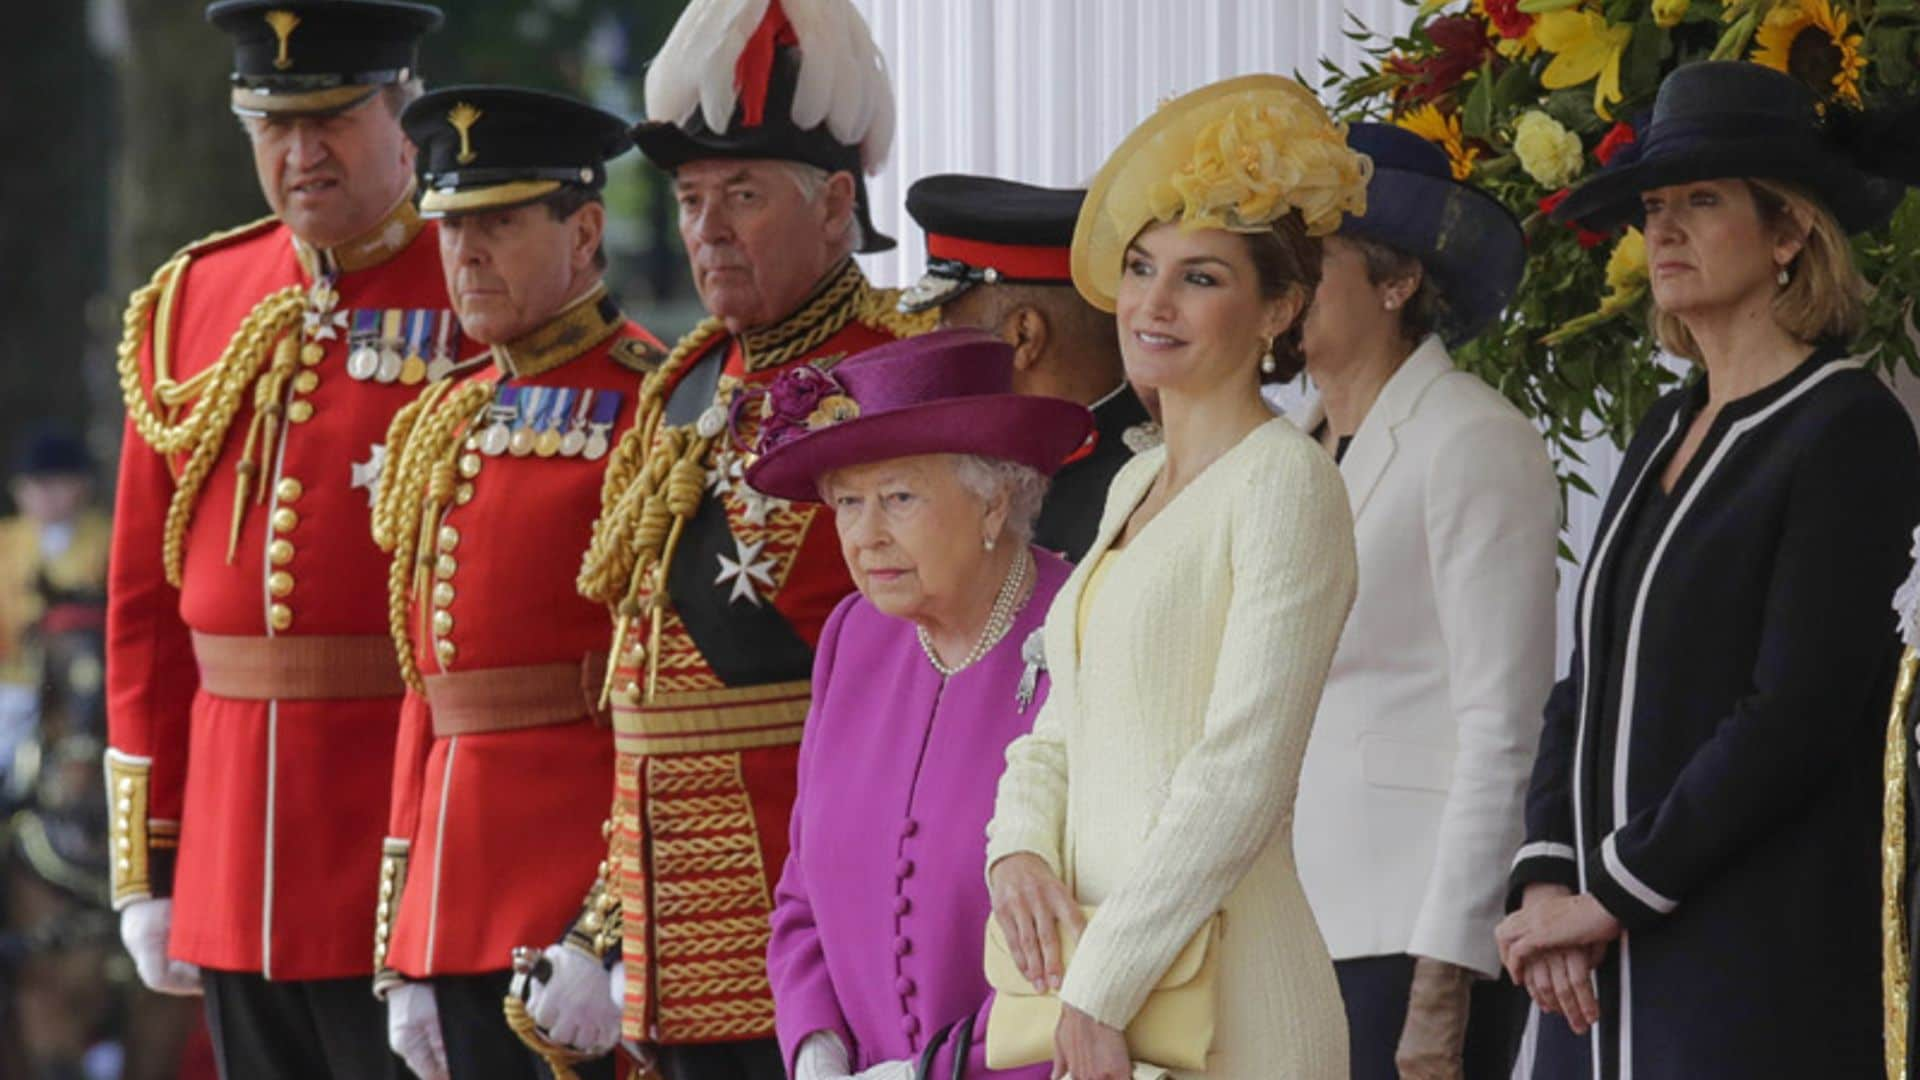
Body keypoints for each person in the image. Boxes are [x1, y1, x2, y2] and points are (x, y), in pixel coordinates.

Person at [1498, 61, 1920, 1080]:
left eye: (1702, 201)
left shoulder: (1847, 427)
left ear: (1789, 234)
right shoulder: (1664, 426)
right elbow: (1583, 679)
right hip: (1594, 968)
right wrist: (1548, 879)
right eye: (1654, 208)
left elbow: (1796, 711)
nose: (1666, 232)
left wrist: (1616, 891)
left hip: (1745, 963)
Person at [549, 2, 935, 1077]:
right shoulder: (681, 384)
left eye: (744, 196)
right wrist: (606, 922)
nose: (708, 227)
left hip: (820, 916)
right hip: (664, 936)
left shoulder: (897, 378)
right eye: (689, 200)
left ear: (834, 207)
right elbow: (643, 682)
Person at [984, 74, 1367, 1080]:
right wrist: (1016, 848)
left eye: (1201, 277)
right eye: (1143, 266)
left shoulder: (1289, 484)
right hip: (1104, 994)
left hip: (1230, 1001)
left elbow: (1241, 773)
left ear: (1278, 307)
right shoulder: (1136, 479)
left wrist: (1102, 983)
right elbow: (1064, 714)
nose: (1152, 301)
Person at [104, 3, 457, 1076]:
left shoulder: (477, 282)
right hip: (224, 854)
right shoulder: (192, 300)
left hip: (396, 846)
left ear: (405, 114)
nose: (300, 154)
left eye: (335, 120)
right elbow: (145, 607)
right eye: (271, 125)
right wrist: (147, 861)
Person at [369, 87, 666, 1080]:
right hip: (452, 902)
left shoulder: (655, 402)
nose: (466, 254)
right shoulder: (447, 414)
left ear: (585, 231)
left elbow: (665, 692)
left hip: (575, 889)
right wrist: (400, 947)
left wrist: (613, 927)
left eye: (497, 223)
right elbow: (426, 691)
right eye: (453, 226)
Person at [749, 329, 1091, 1080]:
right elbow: (803, 893)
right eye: (847, 502)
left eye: (898, 498)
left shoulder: (1084, 629)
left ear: (994, 503)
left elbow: (1101, 919)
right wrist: (817, 1049)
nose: (865, 536)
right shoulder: (854, 636)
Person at [1289, 123, 1555, 1080]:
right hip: (1279, 930)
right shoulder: (1282, 453)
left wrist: (1448, 965)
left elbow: (1504, 726)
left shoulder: (1473, 441)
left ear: (1397, 281)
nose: (1281, 288)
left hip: (1402, 933)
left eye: (1309, 264)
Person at [901, 175, 1159, 561]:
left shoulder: (1151, 486)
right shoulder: (975, 464)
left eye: (949, 329)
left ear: (1022, 336)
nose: (936, 347)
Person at [0, 429, 109, 784]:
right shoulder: (6, 543)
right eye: (34, 484)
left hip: (84, 687)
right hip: (14, 681)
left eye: (56, 483)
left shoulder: (107, 541)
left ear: (82, 486)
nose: (44, 495)